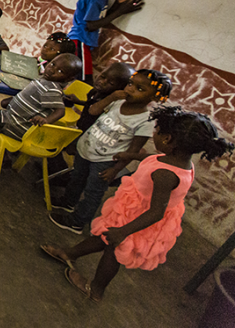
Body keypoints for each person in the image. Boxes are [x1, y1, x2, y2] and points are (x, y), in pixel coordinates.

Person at [41, 105, 234, 302]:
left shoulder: (165, 175)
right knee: (105, 236)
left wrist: (124, 231)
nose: (154, 134)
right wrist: (132, 155)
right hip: (134, 210)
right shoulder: (179, 160)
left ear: (167, 139)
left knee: (114, 251)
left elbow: (156, 212)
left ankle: (96, 289)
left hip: (140, 220)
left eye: (157, 132)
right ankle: (69, 253)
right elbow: (156, 159)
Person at [49, 69, 171, 234]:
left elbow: (133, 150)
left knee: (93, 191)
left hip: (105, 161)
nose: (130, 89)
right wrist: (112, 97)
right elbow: (93, 111)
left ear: (155, 97)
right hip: (87, 148)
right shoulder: (117, 101)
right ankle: (68, 202)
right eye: (130, 84)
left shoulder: (145, 121)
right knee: (76, 177)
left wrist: (115, 170)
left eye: (140, 89)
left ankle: (77, 221)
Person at [0, 53, 82, 168]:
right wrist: (13, 101)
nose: (51, 70)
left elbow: (60, 111)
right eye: (52, 64)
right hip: (14, 118)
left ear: (69, 78)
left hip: (18, 125)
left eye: (60, 71)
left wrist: (46, 120)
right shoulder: (47, 81)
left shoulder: (51, 88)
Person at [68, 0, 143, 84]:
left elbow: (103, 18)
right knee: (83, 79)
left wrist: (118, 4)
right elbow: (91, 25)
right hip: (80, 40)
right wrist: (121, 11)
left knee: (78, 77)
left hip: (83, 41)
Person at [65, 62, 134, 133]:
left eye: (111, 83)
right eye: (103, 76)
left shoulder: (111, 103)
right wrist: (78, 101)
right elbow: (91, 104)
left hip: (91, 134)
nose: (102, 82)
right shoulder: (95, 91)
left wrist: (112, 97)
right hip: (80, 127)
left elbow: (94, 110)